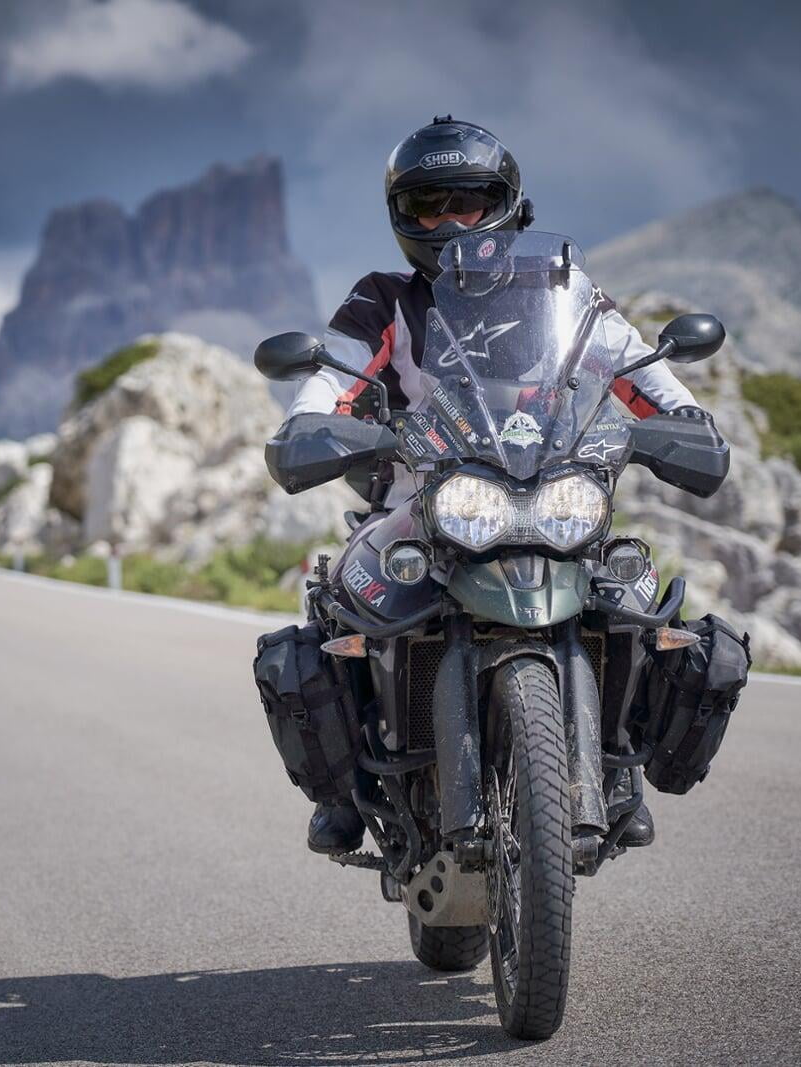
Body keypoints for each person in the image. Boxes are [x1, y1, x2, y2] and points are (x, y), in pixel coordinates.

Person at [286, 117, 717, 856]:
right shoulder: (384, 299)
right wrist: (310, 423)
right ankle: (348, 788)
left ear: (507, 203)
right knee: (339, 607)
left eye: (469, 200)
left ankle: (617, 768)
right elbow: (335, 378)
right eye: (428, 206)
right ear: (403, 217)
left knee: (636, 593)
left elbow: (640, 370)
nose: (449, 221)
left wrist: (682, 419)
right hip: (421, 504)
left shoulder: (565, 289)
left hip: (553, 489)